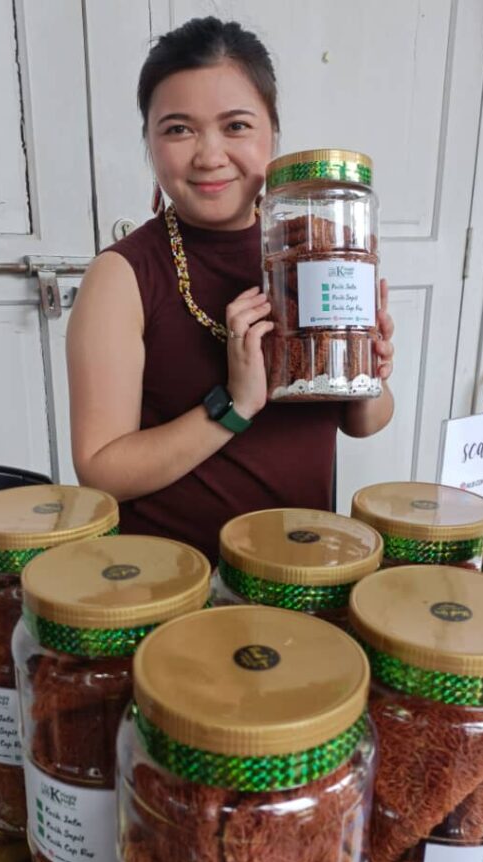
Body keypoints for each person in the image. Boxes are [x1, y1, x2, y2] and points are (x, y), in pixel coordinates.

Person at [67, 16, 394, 563]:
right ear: (149, 142)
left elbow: (364, 421)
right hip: (177, 580)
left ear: (273, 134)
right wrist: (234, 405)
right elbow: (102, 471)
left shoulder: (316, 246)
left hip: (305, 570)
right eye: (178, 129)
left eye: (236, 126)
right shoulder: (122, 275)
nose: (209, 155)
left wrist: (370, 368)